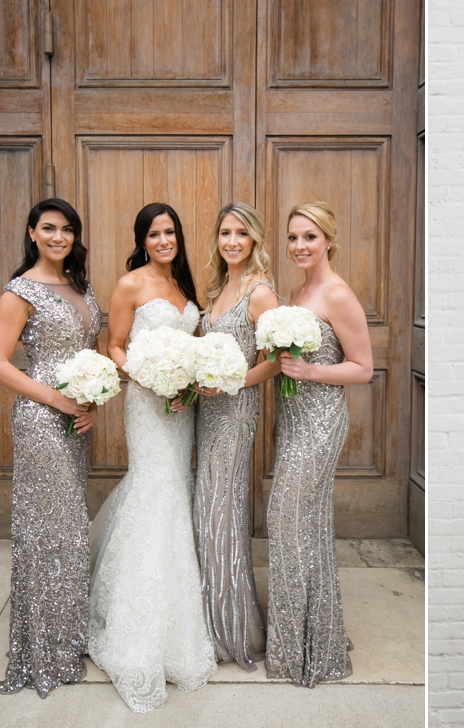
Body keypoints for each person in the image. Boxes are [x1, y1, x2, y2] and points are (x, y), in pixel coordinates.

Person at [88, 203, 216, 712]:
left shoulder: (187, 289)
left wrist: (189, 380)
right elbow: (115, 345)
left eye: (170, 232)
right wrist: (147, 374)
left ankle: (178, 615)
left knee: (173, 492)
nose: (164, 240)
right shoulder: (130, 284)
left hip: (182, 407)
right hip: (146, 402)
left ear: (178, 237)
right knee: (155, 488)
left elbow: (199, 346)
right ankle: (137, 628)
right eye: (154, 234)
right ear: (142, 240)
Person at [0, 198, 102, 698]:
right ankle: (41, 649)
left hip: (76, 422)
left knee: (70, 530)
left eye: (68, 230)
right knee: (47, 531)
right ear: (32, 232)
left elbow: (88, 353)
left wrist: (92, 400)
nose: (59, 237)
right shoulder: (20, 290)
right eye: (49, 228)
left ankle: (66, 638)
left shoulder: (81, 286)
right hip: (40, 420)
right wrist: (56, 398)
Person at [264, 200, 373, 686]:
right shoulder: (298, 289)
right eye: (292, 238)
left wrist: (310, 371)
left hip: (321, 421)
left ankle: (303, 647)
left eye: (309, 236)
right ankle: (313, 634)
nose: (299, 246)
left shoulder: (337, 293)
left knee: (286, 520)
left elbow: (363, 368)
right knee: (305, 525)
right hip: (292, 418)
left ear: (329, 239)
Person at [193, 202, 279, 670]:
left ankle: (231, 630)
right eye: (225, 232)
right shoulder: (219, 286)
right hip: (208, 412)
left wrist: (232, 381)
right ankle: (208, 618)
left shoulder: (260, 292)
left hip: (236, 412)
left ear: (254, 240)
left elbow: (274, 360)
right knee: (208, 515)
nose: (231, 241)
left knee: (221, 513)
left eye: (240, 234)